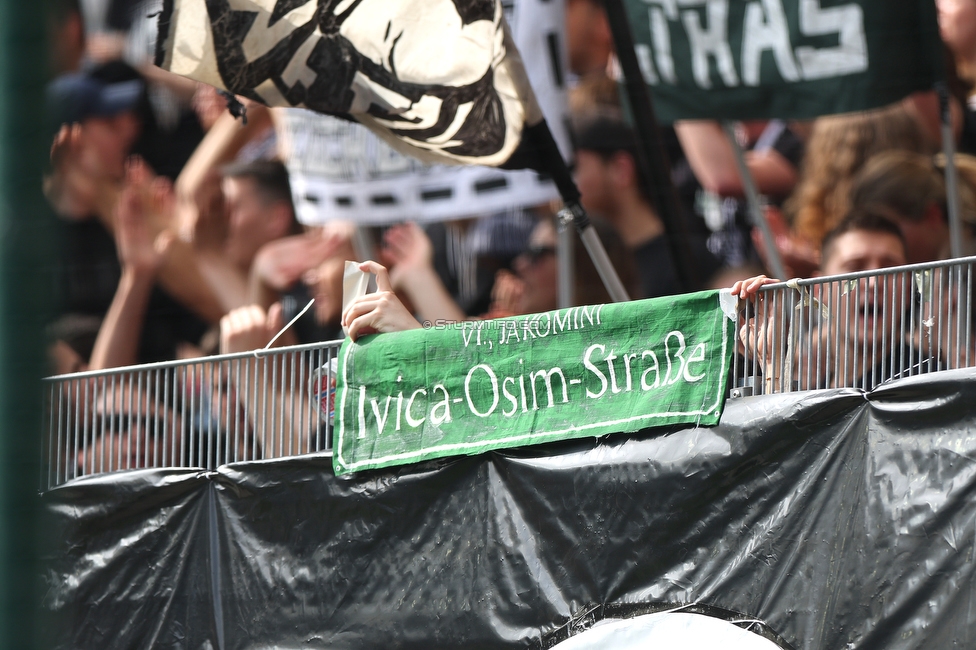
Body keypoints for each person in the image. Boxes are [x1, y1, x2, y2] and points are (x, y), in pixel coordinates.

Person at [732, 210, 922, 392]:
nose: (873, 283)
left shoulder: (925, 377)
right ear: (819, 290)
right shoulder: (810, 381)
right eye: (855, 268)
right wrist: (770, 360)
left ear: (908, 288)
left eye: (889, 269)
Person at [573, 116, 720, 298]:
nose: (562, 185)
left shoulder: (687, 262)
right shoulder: (584, 264)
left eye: (573, 168)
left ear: (621, 169)